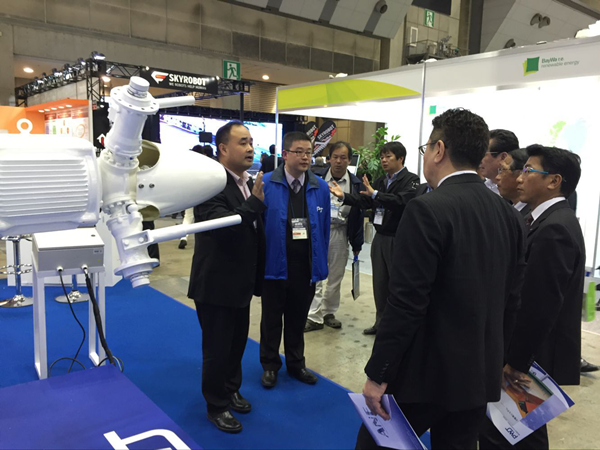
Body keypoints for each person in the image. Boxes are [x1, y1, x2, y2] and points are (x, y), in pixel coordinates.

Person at [357, 108, 525, 450]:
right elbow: (512, 299)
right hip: (478, 374)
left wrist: (379, 373)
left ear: (439, 150)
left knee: (375, 443)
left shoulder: (427, 209)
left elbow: (406, 303)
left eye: (426, 148)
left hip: (424, 374)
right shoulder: (509, 214)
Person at [480, 145, 585, 450]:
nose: (520, 177)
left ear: (554, 181)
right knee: (519, 431)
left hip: (530, 356)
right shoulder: (543, 219)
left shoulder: (555, 228)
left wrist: (516, 362)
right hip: (527, 353)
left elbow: (539, 305)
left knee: (510, 432)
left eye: (528, 170)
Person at [187, 121, 266, 434]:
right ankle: (216, 405)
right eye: (242, 142)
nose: (250, 148)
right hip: (216, 284)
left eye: (251, 142)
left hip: (241, 282)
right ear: (222, 148)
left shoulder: (246, 181)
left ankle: (231, 389)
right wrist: (254, 204)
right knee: (217, 350)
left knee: (236, 345)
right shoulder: (210, 184)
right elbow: (222, 225)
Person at [259, 131, 330, 388]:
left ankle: (296, 364)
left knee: (297, 320)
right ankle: (270, 365)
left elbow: (323, 227)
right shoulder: (266, 183)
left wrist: (319, 262)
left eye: (309, 152)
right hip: (274, 265)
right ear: (285, 154)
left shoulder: (320, 186)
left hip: (305, 267)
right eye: (299, 152)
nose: (305, 157)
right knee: (271, 319)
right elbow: (258, 225)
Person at [331, 142, 420, 335]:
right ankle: (381, 323)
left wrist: (376, 194)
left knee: (397, 284)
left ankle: (396, 327)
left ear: (400, 159)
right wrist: (344, 196)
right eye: (382, 157)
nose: (384, 160)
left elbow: (401, 201)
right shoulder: (380, 181)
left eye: (388, 156)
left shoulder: (411, 180)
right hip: (380, 238)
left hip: (398, 239)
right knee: (380, 283)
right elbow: (365, 200)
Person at [305, 141, 365, 331]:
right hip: (317, 231)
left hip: (340, 231)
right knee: (315, 274)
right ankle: (313, 316)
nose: (339, 161)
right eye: (335, 157)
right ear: (329, 159)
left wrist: (357, 243)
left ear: (349, 160)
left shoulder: (356, 183)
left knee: (336, 275)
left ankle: (328, 312)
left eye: (343, 158)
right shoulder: (316, 178)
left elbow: (359, 214)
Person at [179, 146, 217, 249]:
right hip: (206, 194)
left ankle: (183, 237)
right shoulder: (212, 164)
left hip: (191, 193)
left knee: (188, 216)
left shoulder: (189, 164)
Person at [480, 129, 519, 195]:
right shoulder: (481, 189)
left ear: (503, 157)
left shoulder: (520, 193)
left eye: (483, 154)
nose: (479, 159)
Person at [496, 148, 531, 216]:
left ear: (521, 173)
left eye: (503, 170)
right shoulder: (505, 208)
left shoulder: (531, 216)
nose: (497, 177)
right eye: (499, 170)